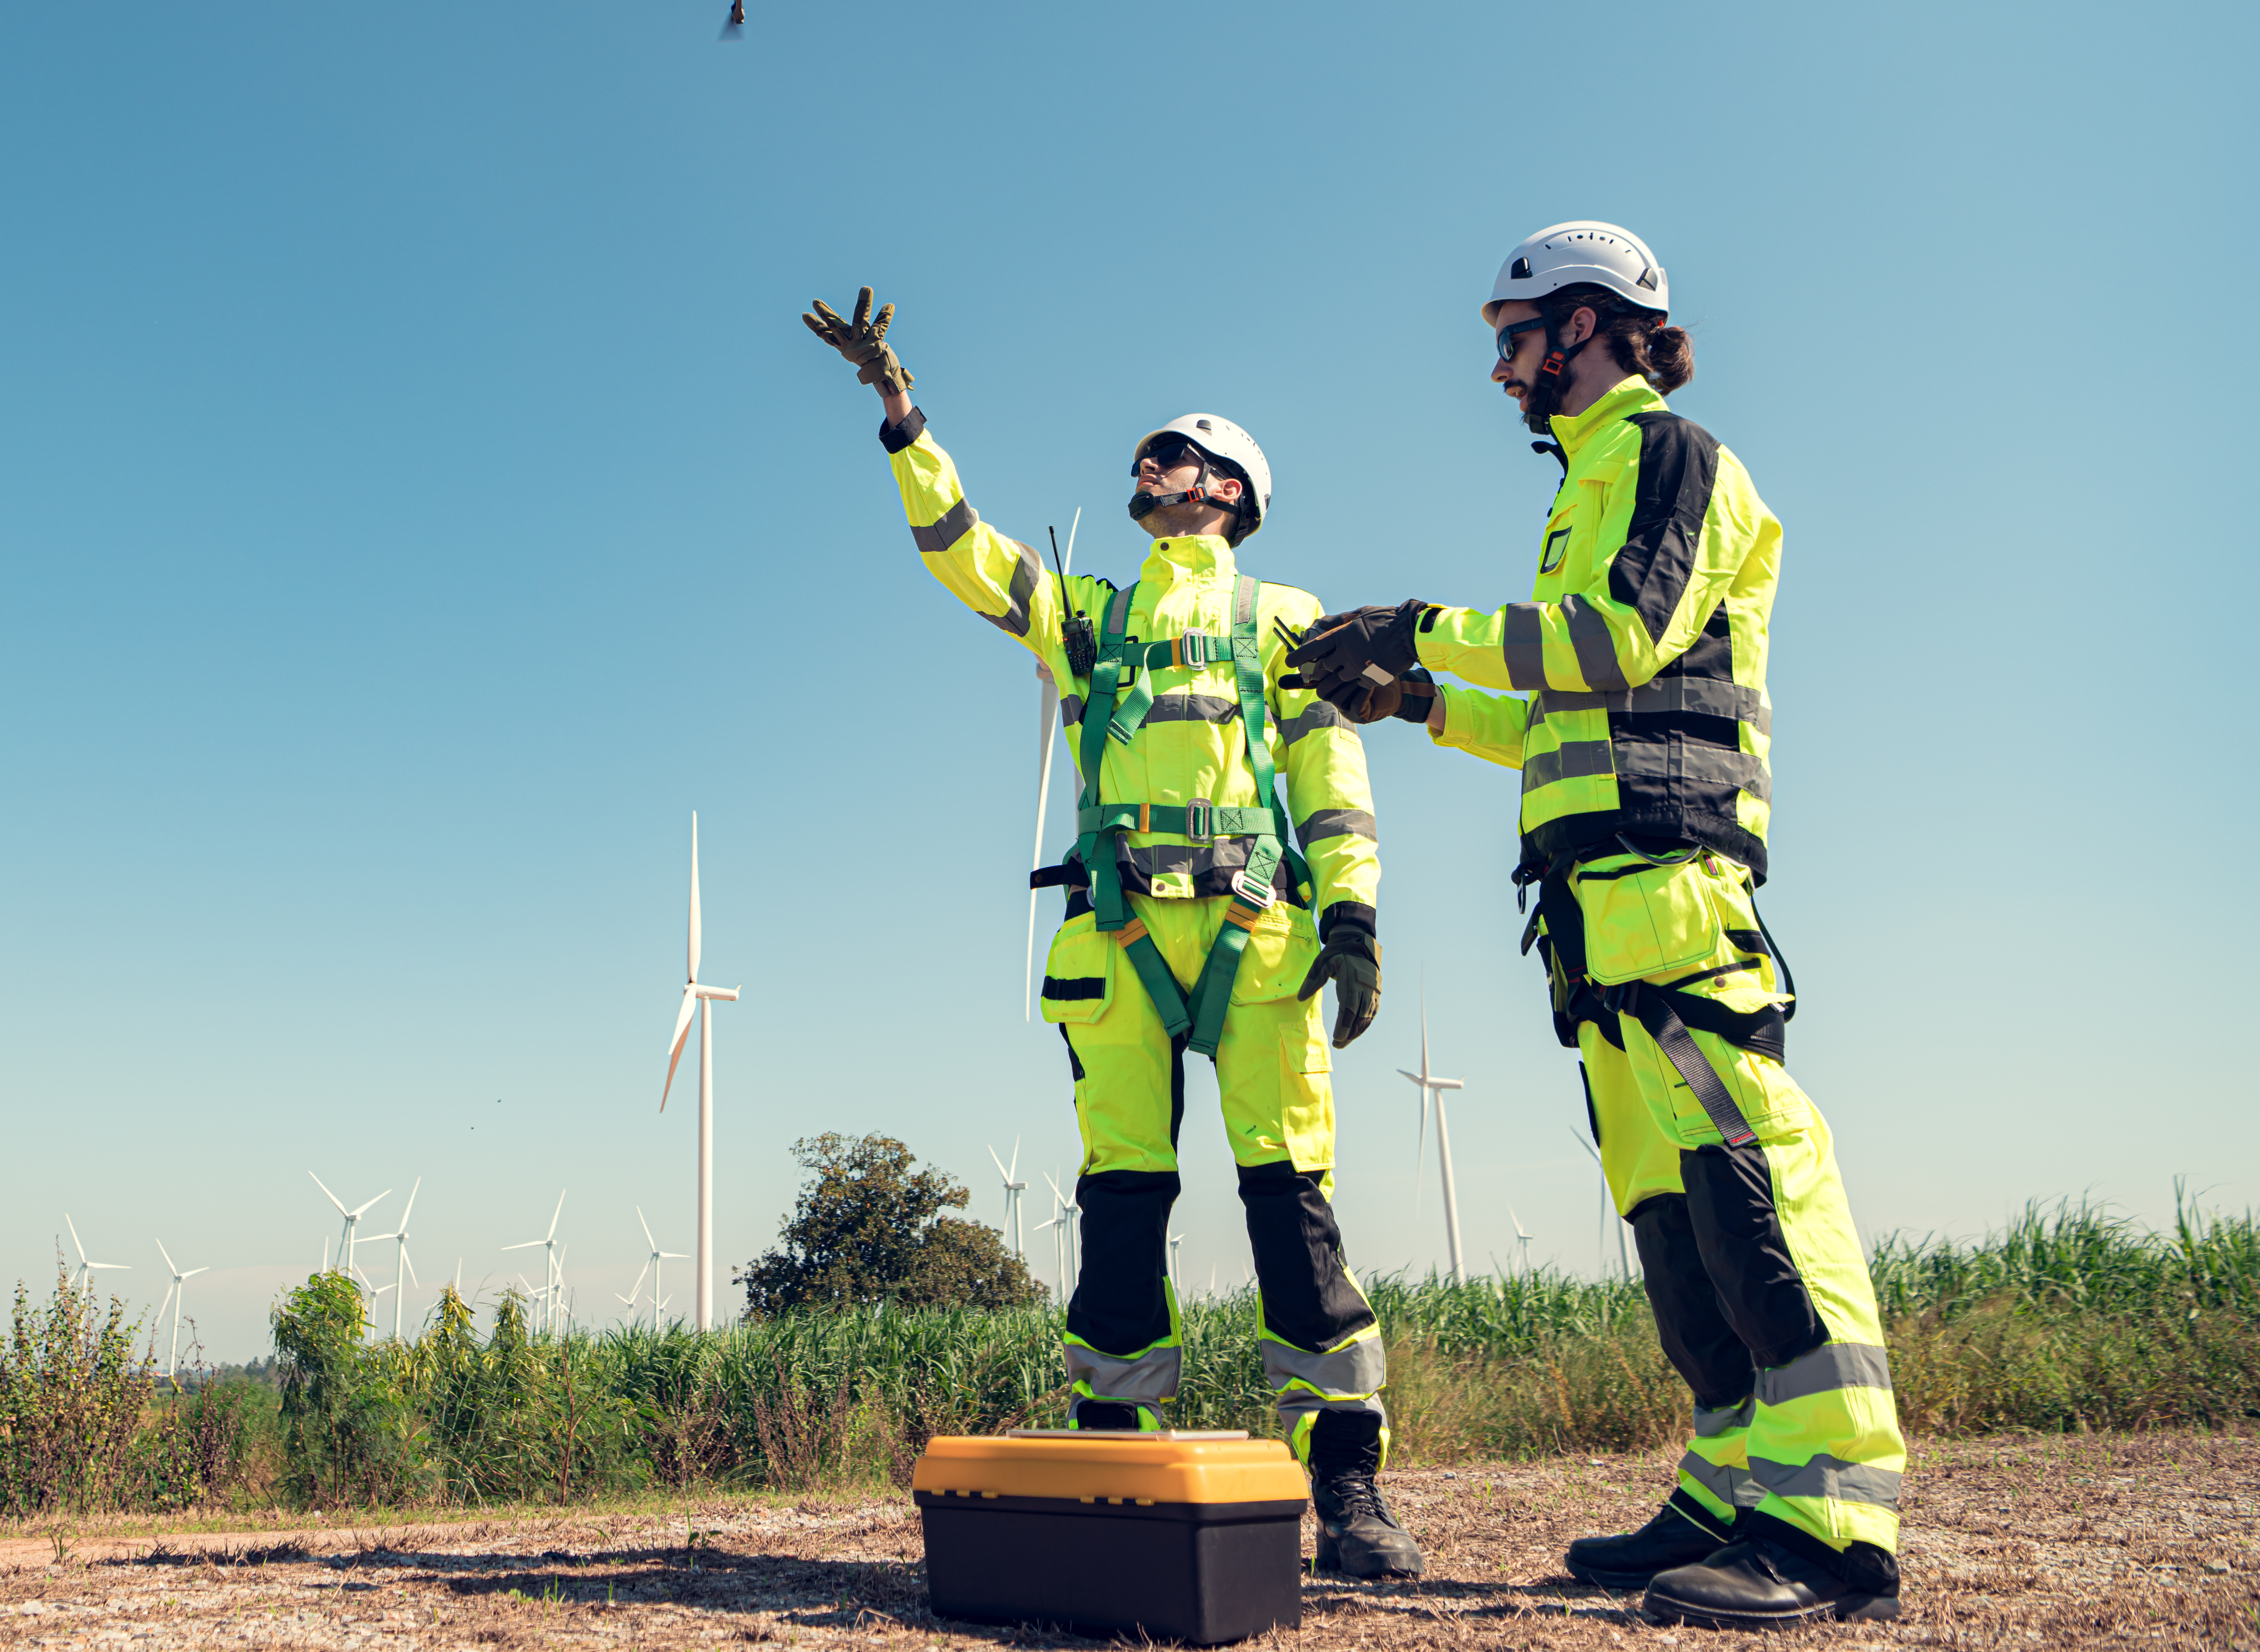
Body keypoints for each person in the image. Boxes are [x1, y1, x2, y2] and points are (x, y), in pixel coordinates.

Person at [1286, 224, 1907, 1630]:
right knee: (1676, 1220)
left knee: (1754, 1188)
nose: (1501, 370)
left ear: (1584, 327)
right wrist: (1414, 700)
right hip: (1594, 913)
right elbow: (1564, 708)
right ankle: (1727, 1486)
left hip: (1674, 886)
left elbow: (1619, 638)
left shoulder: (1671, 455)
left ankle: (1829, 1524)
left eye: (1514, 340)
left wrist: (1420, 622)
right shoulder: (1581, 491)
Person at [802, 288, 1422, 1581]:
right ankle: (1113, 1458)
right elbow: (966, 554)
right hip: (1121, 937)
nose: (1149, 463)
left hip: (1260, 942)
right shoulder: (1091, 613)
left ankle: (1350, 1487)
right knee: (1121, 1204)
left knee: (1289, 1207)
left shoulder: (1282, 621)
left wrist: (1355, 923)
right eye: (1148, 453)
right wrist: (903, 417)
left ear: (1232, 493)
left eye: (1177, 454)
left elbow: (1332, 786)